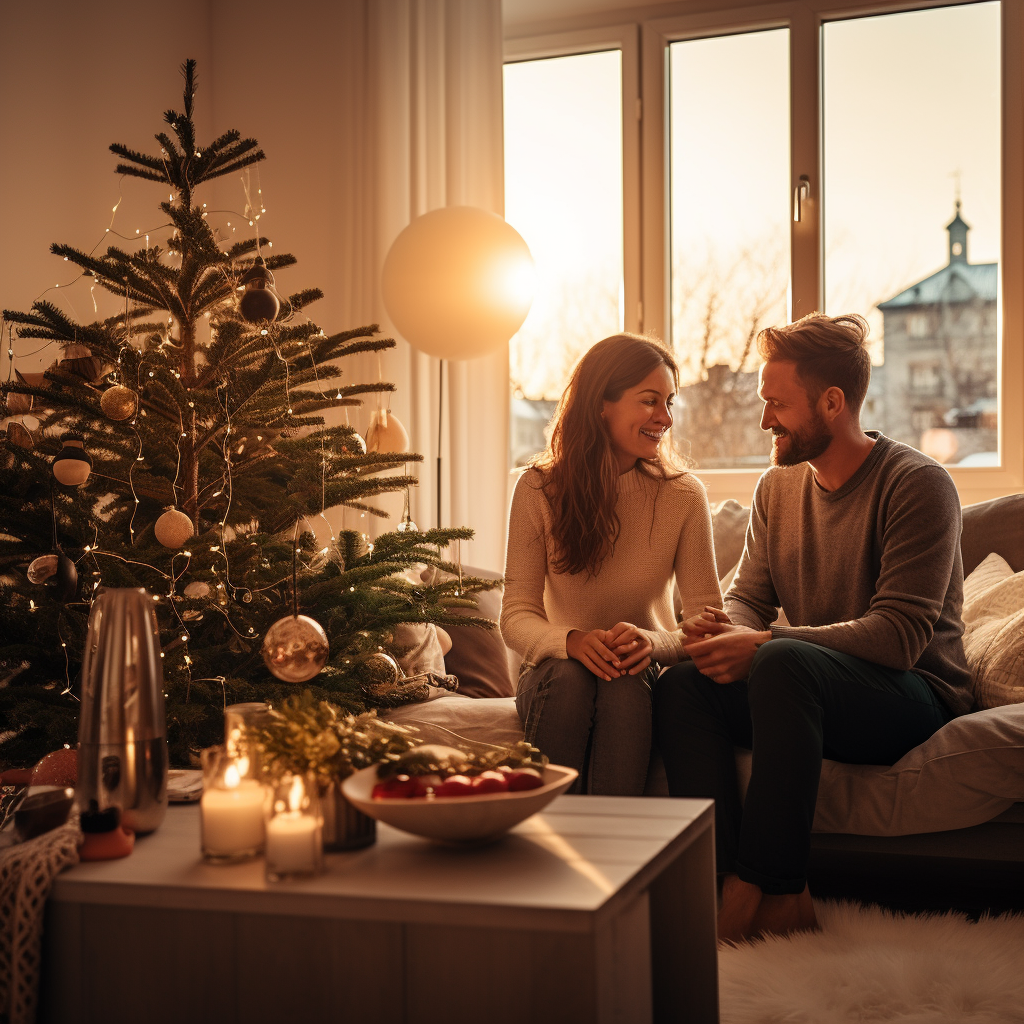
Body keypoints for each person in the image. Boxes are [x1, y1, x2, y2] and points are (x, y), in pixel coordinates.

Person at [654, 312, 973, 942]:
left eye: (777, 403)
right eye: (763, 402)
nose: (765, 418)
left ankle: (767, 885)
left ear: (832, 403)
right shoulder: (777, 488)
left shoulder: (918, 485)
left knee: (779, 662)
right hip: (806, 689)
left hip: (913, 696)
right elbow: (750, 595)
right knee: (682, 688)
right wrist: (724, 631)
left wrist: (765, 643)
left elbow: (898, 637)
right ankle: (719, 884)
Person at [500, 334, 722, 795]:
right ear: (602, 403)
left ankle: (612, 852)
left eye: (669, 403)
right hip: (554, 676)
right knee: (568, 677)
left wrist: (652, 643)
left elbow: (706, 623)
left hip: (642, 675)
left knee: (624, 677)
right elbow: (516, 615)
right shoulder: (538, 489)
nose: (665, 418)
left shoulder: (683, 494)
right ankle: (547, 844)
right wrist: (571, 641)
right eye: (649, 401)